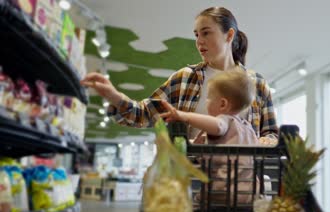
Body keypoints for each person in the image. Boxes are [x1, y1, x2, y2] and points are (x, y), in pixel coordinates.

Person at [80, 6, 278, 144]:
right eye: (196, 35)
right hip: (190, 181)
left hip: (241, 184)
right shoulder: (185, 78)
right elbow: (142, 115)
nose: (199, 41)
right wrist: (113, 95)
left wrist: (266, 141)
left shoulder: (256, 83)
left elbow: (270, 134)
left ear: (229, 35)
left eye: (206, 32)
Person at [161, 69, 258, 204]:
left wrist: (184, 116)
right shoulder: (249, 129)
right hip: (248, 195)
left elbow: (218, 126)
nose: (206, 101)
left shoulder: (225, 120)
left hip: (220, 193)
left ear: (223, 104)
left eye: (208, 97)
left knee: (192, 204)